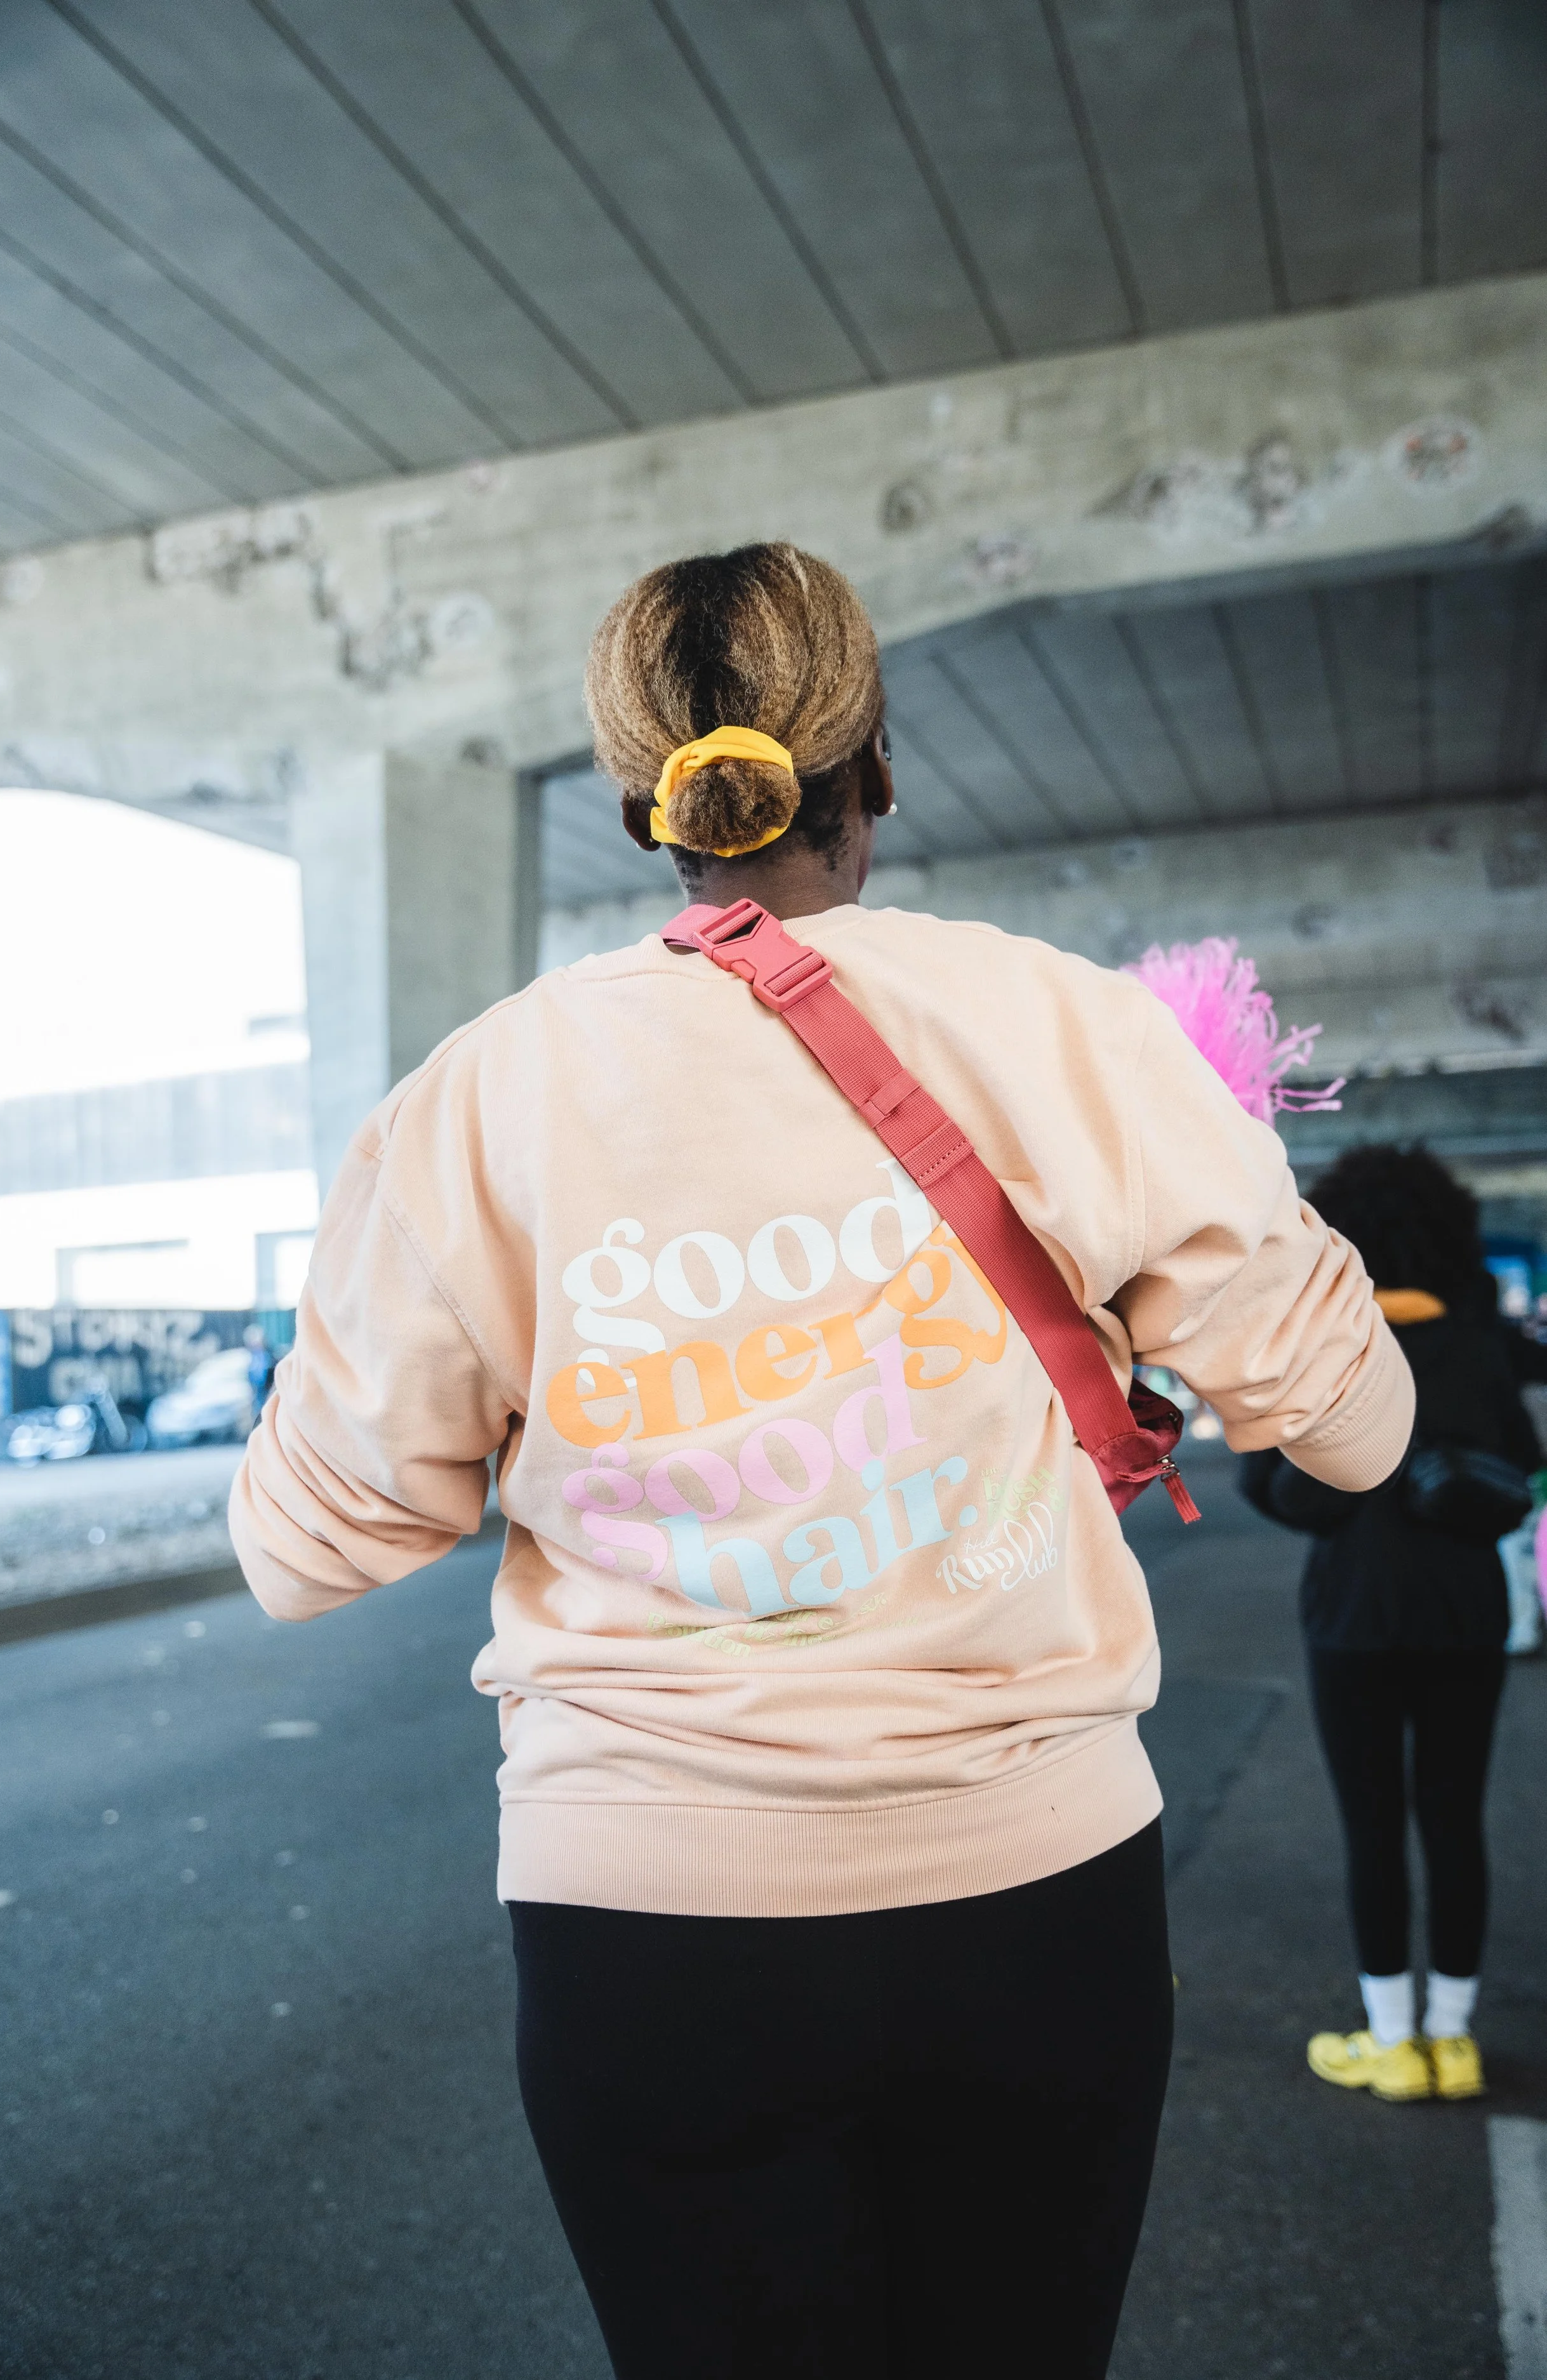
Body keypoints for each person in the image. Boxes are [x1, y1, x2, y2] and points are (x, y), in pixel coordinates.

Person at [230, 543, 1412, 2379]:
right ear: (877, 766)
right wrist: (1220, 1185)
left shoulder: (476, 1095)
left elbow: (309, 1545)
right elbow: (1353, 1421)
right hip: (1037, 1899)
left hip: (645, 1930)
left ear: (648, 805)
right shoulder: (1067, 1025)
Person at [1239, 1144, 1539, 2104]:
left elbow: (1275, 1490)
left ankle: (1391, 2040)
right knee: (1454, 1821)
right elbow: (1523, 1468)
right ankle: (1456, 2038)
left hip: (1355, 1618)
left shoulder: (1336, 1343)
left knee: (1372, 1828)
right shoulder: (1481, 1337)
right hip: (1465, 1613)